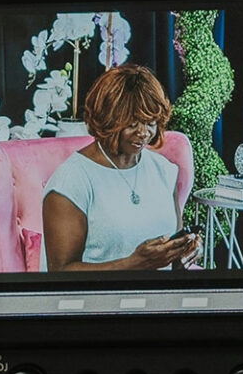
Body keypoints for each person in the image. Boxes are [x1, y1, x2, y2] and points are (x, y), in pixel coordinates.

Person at [41, 63, 199, 272]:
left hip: (159, 301)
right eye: (133, 123)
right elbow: (60, 273)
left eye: (150, 122)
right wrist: (134, 264)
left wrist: (185, 252)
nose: (144, 133)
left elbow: (172, 254)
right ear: (107, 119)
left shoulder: (164, 171)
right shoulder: (70, 183)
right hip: (100, 303)